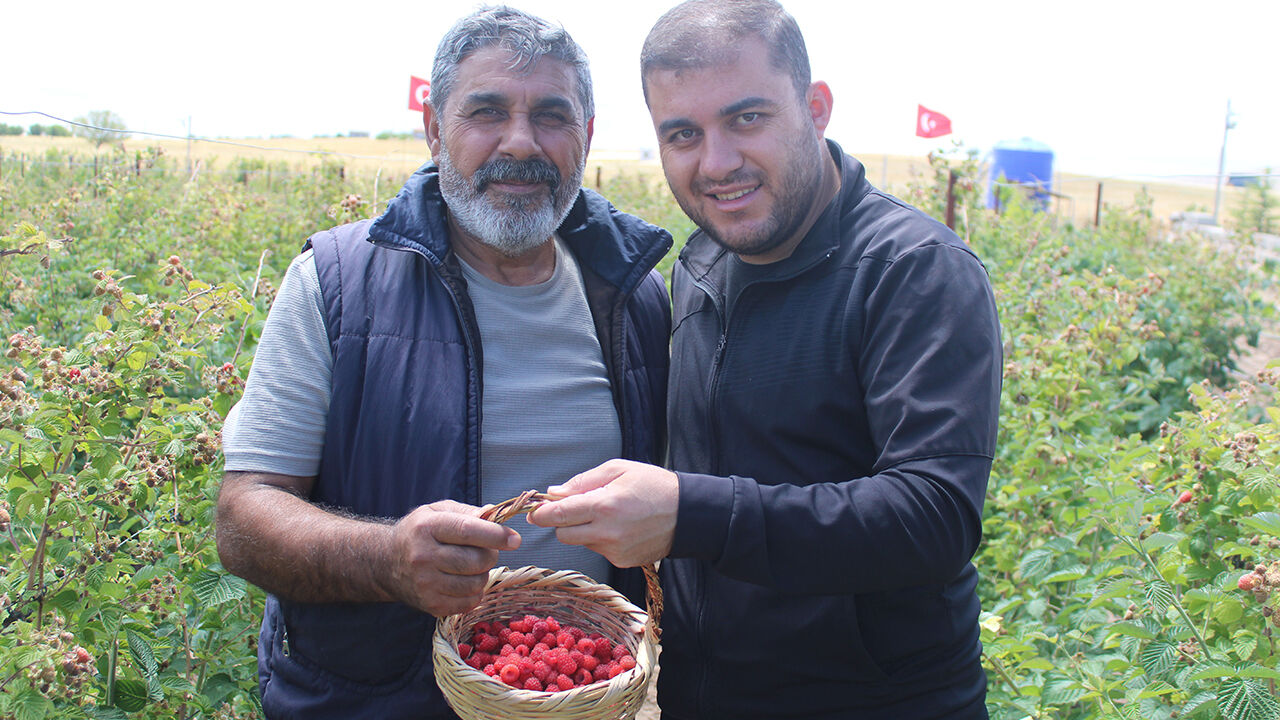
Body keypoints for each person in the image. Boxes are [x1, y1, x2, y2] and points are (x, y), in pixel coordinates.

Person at [527, 1, 1003, 718]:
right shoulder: (701, 263)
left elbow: (933, 517)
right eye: (683, 134)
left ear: (815, 109)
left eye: (747, 118)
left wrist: (692, 515)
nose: (716, 163)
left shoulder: (913, 270)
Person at [214, 7, 672, 718]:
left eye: (552, 115)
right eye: (486, 111)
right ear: (434, 131)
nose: (520, 143)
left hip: (584, 692)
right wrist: (388, 559)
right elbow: (244, 518)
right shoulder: (336, 286)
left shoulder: (635, 294)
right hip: (378, 700)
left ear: (587, 136)